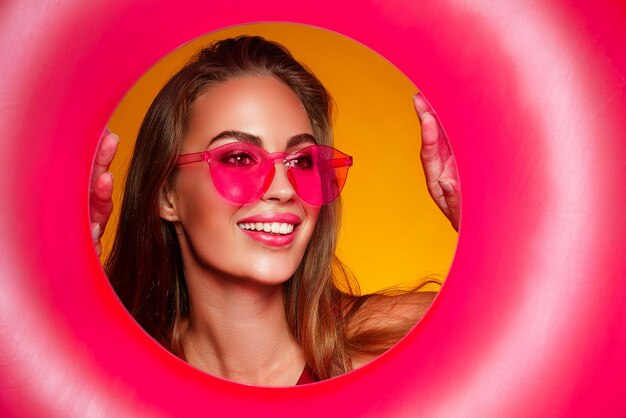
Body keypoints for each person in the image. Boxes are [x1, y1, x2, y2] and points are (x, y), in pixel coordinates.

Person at [89, 36, 460, 386]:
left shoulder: (403, 343)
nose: (284, 189)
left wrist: (476, 214)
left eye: (301, 161)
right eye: (238, 158)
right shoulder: (113, 374)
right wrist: (72, 288)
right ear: (167, 195)